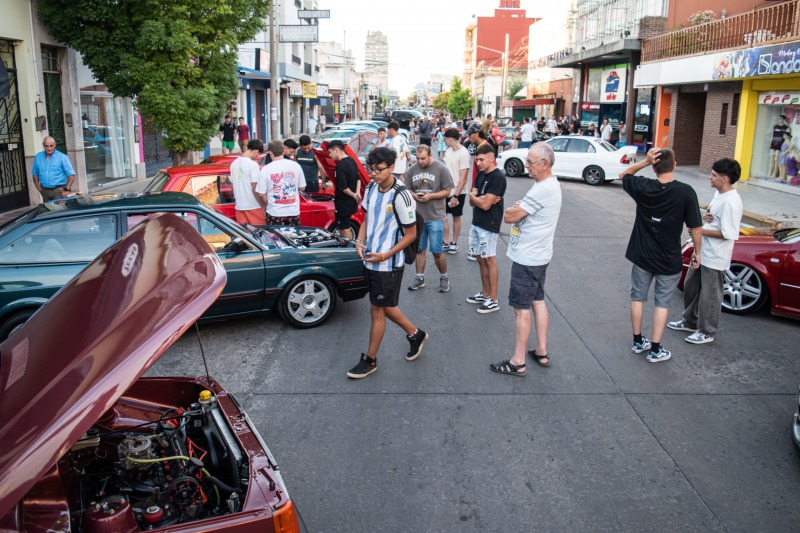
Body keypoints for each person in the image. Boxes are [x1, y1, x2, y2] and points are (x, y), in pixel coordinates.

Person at [347, 146, 427, 379]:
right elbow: (366, 219)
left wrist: (386, 255)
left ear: (392, 168)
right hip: (370, 257)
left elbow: (411, 235)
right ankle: (415, 333)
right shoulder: (371, 188)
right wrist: (359, 240)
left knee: (376, 309)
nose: (373, 174)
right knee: (382, 304)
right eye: (371, 169)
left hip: (388, 263)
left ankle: (370, 360)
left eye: (379, 170)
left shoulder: (402, 195)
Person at [619, 148, 703, 364]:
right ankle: (655, 349)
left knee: (637, 296)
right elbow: (695, 228)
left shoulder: (644, 186)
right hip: (669, 257)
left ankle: (638, 341)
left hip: (642, 254)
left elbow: (625, 174)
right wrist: (697, 252)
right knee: (662, 303)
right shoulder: (686, 192)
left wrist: (644, 162)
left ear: (654, 167)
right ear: (674, 165)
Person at [490, 142, 562, 376]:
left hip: (529, 257)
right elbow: (516, 212)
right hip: (539, 255)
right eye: (527, 160)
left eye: (531, 162)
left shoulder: (542, 189)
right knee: (537, 301)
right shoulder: (548, 184)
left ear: (545, 163)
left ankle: (517, 361)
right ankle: (541, 351)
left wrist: (517, 209)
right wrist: (518, 209)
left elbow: (509, 216)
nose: (527, 165)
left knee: (521, 309)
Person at [668, 158, 743, 344]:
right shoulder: (720, 194)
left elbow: (729, 233)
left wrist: (701, 230)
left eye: (714, 175)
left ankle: (707, 331)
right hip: (703, 251)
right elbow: (715, 217)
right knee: (691, 287)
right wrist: (707, 216)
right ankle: (690, 321)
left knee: (710, 295)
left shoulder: (732, 202)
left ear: (724, 179)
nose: (709, 177)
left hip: (716, 257)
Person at [405, 145, 454, 292]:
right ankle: (419, 278)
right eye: (417, 158)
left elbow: (448, 191)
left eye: (423, 159)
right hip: (418, 217)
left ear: (430, 155)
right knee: (420, 249)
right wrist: (415, 196)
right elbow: (407, 188)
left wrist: (430, 196)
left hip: (435, 216)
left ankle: (444, 278)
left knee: (437, 251)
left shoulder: (441, 168)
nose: (419, 161)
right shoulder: (412, 170)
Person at [466, 143, 507, 314]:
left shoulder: (498, 177)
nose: (479, 163)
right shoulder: (480, 175)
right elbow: (471, 201)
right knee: (480, 259)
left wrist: (478, 198)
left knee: (490, 260)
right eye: (477, 160)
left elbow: (485, 205)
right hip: (477, 223)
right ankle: (485, 294)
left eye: (482, 160)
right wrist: (479, 198)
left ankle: (494, 300)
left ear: (492, 158)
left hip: (490, 224)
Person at [257, 140, 306, 226]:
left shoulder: (265, 169)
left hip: (274, 212)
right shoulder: (295, 166)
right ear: (283, 150)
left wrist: (268, 203)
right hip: (293, 211)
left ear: (270, 153)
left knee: (274, 238)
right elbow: (302, 187)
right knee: (293, 237)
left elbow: (261, 194)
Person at [443, 128, 470, 255]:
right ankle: (446, 241)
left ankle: (454, 242)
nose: (445, 142)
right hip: (446, 190)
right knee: (443, 216)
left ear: (451, 139)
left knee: (456, 217)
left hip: (458, 191)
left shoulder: (464, 153)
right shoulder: (448, 152)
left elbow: (463, 177)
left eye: (446, 139)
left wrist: (456, 195)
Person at [326, 140, 360, 239]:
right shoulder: (352, 160)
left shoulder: (340, 166)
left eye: (330, 152)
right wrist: (357, 193)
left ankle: (349, 249)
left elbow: (344, 188)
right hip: (350, 202)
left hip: (343, 203)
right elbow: (358, 179)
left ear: (336, 150)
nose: (329, 155)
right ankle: (344, 246)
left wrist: (354, 194)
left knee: (345, 228)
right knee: (341, 226)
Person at [229, 139, 267, 226]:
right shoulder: (253, 165)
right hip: (254, 206)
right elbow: (255, 188)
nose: (256, 157)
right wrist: (262, 206)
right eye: (258, 154)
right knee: (260, 235)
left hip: (239, 207)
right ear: (256, 151)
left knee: (245, 236)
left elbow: (232, 186)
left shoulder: (234, 163)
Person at [32, 136, 75, 202]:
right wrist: (38, 187)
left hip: (58, 191)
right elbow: (35, 173)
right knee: (48, 211)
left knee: (59, 211)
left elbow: (71, 175)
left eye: (51, 146)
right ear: (43, 145)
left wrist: (66, 190)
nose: (49, 148)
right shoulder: (38, 157)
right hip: (44, 191)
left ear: (55, 145)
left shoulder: (62, 157)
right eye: (46, 146)